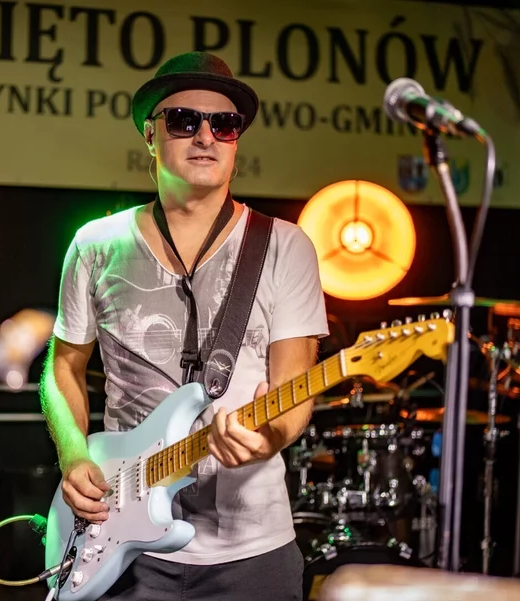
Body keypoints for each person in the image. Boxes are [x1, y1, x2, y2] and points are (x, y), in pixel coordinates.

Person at [40, 51, 329, 601]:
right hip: (121, 541)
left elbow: (294, 390)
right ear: (151, 135)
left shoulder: (285, 246)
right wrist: (73, 454)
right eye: (183, 120)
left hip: (253, 550)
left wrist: (268, 437)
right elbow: (64, 367)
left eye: (224, 124)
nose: (205, 136)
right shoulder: (95, 244)